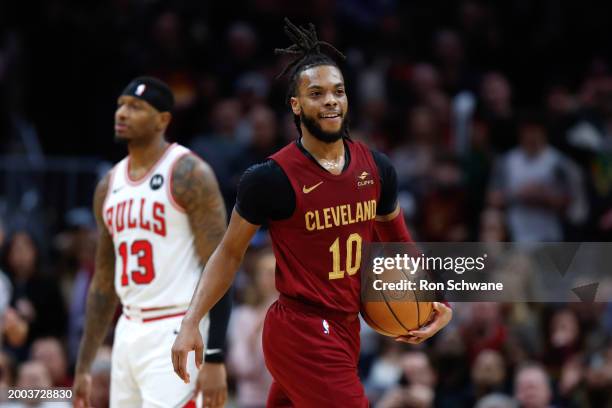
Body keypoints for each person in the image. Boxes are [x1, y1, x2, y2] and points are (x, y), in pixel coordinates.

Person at [172, 20, 452, 407]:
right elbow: (229, 252)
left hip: (345, 328)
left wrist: (437, 299)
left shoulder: (378, 168)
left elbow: (399, 241)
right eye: (316, 93)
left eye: (338, 91)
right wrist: (191, 320)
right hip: (301, 329)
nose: (331, 101)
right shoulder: (269, 178)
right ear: (296, 105)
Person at [73, 77, 230, 408]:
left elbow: (221, 265)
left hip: (177, 326)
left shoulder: (188, 172)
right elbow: (103, 283)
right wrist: (84, 365)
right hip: (128, 330)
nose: (123, 113)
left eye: (136, 107)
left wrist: (216, 354)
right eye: (121, 105)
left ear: (163, 120)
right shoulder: (108, 185)